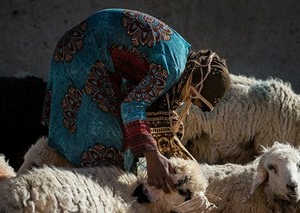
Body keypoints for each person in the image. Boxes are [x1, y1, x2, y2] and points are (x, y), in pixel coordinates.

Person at [40, 8, 231, 192]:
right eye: (191, 97)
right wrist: (152, 155)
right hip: (82, 53)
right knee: (109, 144)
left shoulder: (182, 54)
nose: (185, 103)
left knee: (125, 141)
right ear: (196, 84)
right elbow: (131, 106)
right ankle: (83, 197)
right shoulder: (172, 67)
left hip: (91, 52)